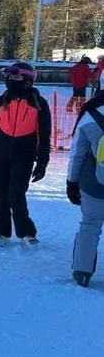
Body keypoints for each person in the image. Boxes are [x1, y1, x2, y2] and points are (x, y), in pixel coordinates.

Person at [0, 62, 50, 246]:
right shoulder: (2, 100)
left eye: (15, 77)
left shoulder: (39, 104)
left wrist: (42, 162)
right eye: (8, 77)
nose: (10, 80)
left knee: (16, 194)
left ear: (27, 81)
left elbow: (44, 134)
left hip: (23, 155)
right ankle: (1, 232)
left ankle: (27, 232)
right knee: (0, 193)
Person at [67, 90, 104, 287]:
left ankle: (82, 271)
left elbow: (77, 154)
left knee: (90, 225)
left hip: (94, 183)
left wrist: (71, 181)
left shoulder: (90, 115)